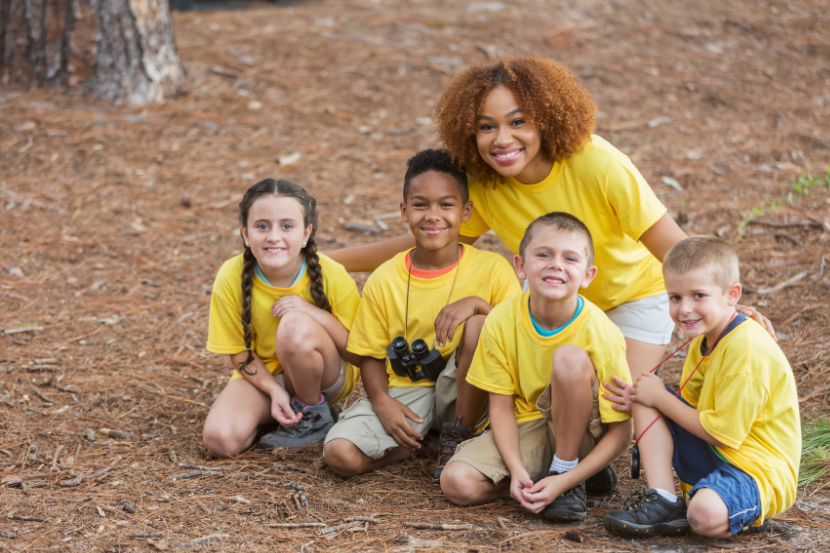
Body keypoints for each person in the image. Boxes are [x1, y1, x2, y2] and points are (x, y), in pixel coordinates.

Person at [327, 57, 774, 496]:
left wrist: (729, 306)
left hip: (630, 297)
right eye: (486, 126)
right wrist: (328, 259)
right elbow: (426, 239)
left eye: (518, 121)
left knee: (624, 404)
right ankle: (543, 465)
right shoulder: (485, 182)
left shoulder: (600, 166)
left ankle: (612, 477)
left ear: (547, 118)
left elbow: (677, 251)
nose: (502, 139)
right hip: (551, 295)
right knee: (537, 408)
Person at [323, 149, 521, 482]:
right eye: (420, 205)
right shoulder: (385, 278)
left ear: (466, 212)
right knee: (339, 454)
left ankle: (458, 435)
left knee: (477, 326)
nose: (433, 216)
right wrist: (382, 401)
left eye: (446, 205)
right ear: (404, 211)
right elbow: (370, 355)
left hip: (472, 392)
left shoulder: (492, 270)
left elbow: (517, 337)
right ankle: (415, 446)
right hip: (408, 391)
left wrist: (476, 304)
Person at [602, 236, 800, 538]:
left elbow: (722, 434)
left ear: (731, 294)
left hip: (755, 470)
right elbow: (688, 409)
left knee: (703, 515)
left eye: (698, 295)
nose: (685, 309)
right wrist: (644, 400)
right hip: (717, 453)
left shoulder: (745, 352)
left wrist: (662, 400)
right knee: (644, 390)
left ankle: (733, 510)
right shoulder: (704, 339)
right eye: (675, 297)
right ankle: (664, 500)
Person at [440, 212, 633, 521]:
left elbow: (622, 432)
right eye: (544, 254)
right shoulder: (502, 319)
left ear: (587, 275)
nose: (556, 264)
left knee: (568, 359)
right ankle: (548, 482)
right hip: (529, 428)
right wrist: (515, 471)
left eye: (570, 258)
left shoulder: (601, 331)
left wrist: (565, 479)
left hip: (583, 431)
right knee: (456, 483)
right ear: (521, 265)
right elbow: (501, 408)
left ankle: (570, 475)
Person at [203, 179, 362, 457]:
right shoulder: (231, 275)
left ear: (306, 233)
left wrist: (314, 313)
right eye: (262, 226)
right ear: (245, 233)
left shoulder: (333, 275)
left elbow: (359, 353)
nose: (274, 236)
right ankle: (287, 414)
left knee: (294, 324)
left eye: (287, 226)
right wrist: (273, 392)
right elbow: (239, 355)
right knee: (220, 441)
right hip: (268, 375)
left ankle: (314, 413)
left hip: (325, 373)